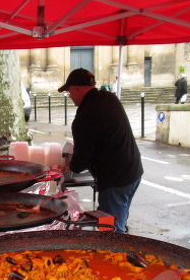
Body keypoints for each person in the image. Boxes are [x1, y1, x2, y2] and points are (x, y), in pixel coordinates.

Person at [58, 68, 143, 234]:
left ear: (77, 88)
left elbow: (81, 160)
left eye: (69, 92)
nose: (70, 96)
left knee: (110, 228)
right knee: (120, 218)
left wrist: (70, 165)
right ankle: (121, 240)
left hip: (115, 178)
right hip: (133, 170)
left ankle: (116, 255)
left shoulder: (85, 116)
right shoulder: (110, 98)